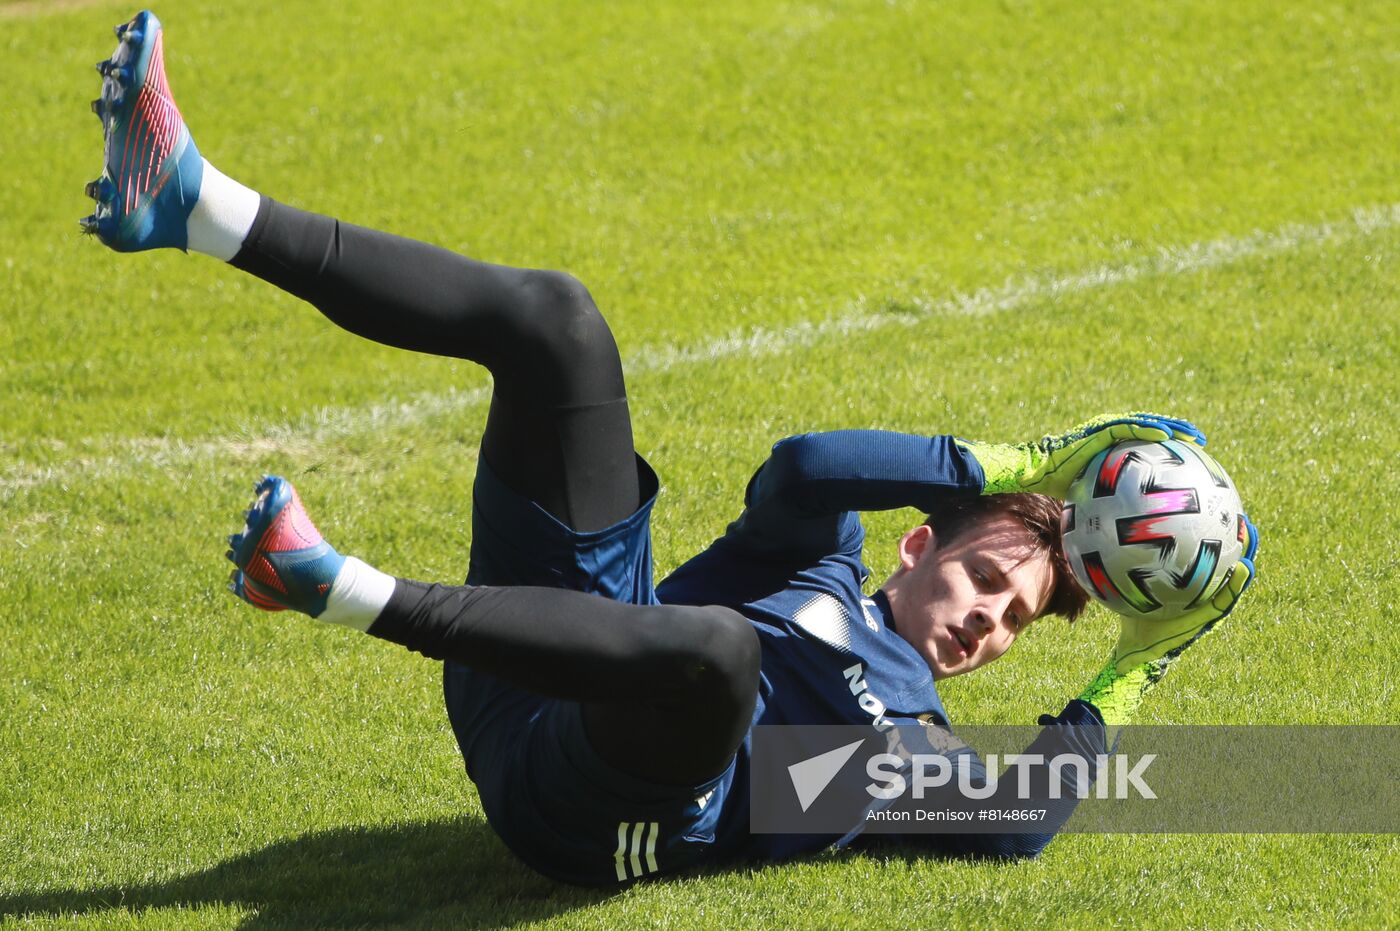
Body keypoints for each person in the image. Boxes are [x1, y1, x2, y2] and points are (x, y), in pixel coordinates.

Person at [83, 11, 1258, 886]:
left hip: (589, 809)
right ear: (914, 542)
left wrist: (1131, 666)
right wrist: (1029, 459)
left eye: (1009, 625)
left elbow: (1014, 825)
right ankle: (194, 204)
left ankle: (335, 589)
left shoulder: (908, 748)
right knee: (557, 326)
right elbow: (803, 467)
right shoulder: (814, 563)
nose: (986, 626)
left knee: (710, 654)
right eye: (989, 581)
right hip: (540, 667)